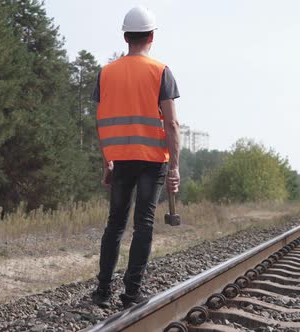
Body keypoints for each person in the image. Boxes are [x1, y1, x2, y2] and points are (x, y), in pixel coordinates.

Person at [91, 5, 181, 309]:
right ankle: (131, 293)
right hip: (153, 159)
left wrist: (107, 163)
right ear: (151, 36)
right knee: (143, 222)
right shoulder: (161, 72)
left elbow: (101, 121)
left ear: (126, 36)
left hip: (120, 160)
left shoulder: (106, 73)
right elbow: (171, 123)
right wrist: (176, 168)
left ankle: (102, 291)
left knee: (115, 223)